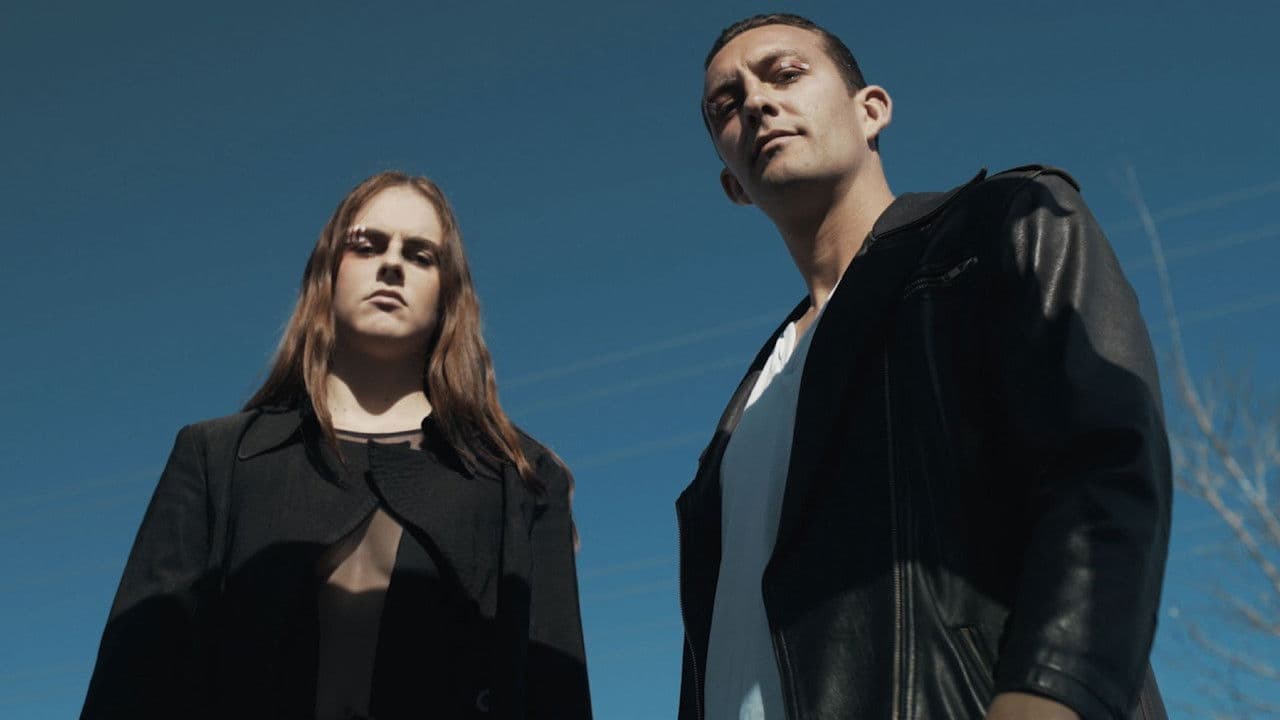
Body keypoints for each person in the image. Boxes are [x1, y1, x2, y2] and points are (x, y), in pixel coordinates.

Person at [677, 13, 1170, 720]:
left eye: (785, 74)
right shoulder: (734, 427)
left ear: (871, 110)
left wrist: (1050, 693)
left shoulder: (1001, 226)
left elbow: (1103, 466)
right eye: (726, 106)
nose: (756, 103)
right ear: (733, 184)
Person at [82, 171, 592, 720]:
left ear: (449, 294)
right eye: (367, 246)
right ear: (328, 270)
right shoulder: (216, 458)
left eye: (421, 255)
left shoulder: (521, 476)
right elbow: (131, 681)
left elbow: (556, 694)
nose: (392, 265)